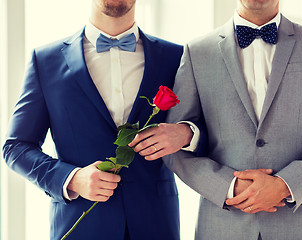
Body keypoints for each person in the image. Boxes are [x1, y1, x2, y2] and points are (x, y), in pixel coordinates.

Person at [162, 0, 302, 239]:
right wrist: (228, 187)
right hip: (224, 226)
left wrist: (286, 184)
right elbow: (174, 148)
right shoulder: (197, 52)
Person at [2, 0, 193, 239]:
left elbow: (211, 130)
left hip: (156, 225)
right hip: (81, 227)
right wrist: (71, 179)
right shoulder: (45, 61)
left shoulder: (176, 57)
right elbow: (16, 147)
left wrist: (187, 133)